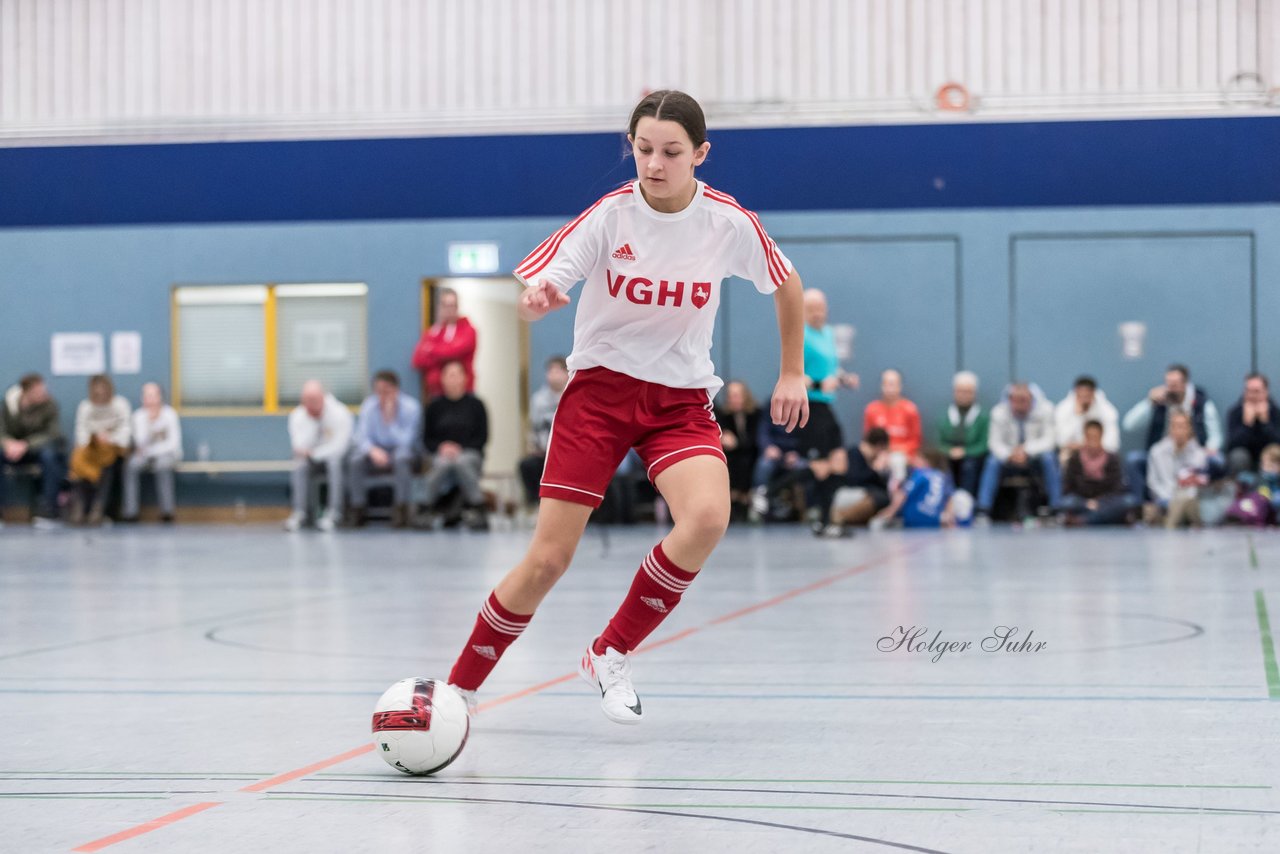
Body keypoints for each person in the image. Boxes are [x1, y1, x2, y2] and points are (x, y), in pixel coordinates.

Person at [443, 90, 808, 725]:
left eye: (671, 152)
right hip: (600, 397)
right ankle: (460, 689)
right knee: (549, 558)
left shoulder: (727, 222)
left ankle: (610, 651)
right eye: (642, 150)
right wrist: (539, 298)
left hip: (679, 401)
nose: (654, 164)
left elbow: (787, 282)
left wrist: (793, 372)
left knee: (706, 519)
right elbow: (547, 279)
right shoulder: (611, 217)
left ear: (700, 153)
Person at [795, 288, 858, 534]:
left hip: (826, 405)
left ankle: (829, 518)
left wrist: (844, 379)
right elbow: (796, 375)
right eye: (811, 309)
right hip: (809, 405)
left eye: (820, 308)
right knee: (820, 466)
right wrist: (821, 384)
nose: (817, 314)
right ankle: (820, 519)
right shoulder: (799, 335)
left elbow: (832, 368)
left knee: (839, 461)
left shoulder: (830, 334)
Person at [1122, 364, 1223, 501]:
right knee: (1134, 459)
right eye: (1168, 384)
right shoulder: (1159, 402)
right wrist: (1149, 402)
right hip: (1162, 456)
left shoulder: (1201, 403)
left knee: (1217, 461)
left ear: (1185, 384)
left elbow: (1215, 435)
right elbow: (1129, 425)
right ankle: (1141, 507)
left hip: (1193, 455)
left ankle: (1203, 505)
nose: (1171, 389)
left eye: (1175, 384)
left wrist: (1209, 449)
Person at [421, 360, 490, 530]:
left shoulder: (476, 405)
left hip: (470, 453)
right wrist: (442, 447)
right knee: (442, 464)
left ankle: (477, 507)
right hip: (441, 453)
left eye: (457, 375)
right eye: (449, 375)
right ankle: (425, 508)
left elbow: (482, 437)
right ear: (442, 379)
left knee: (461, 462)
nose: (453, 379)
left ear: (465, 378)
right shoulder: (434, 406)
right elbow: (427, 439)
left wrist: (460, 448)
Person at [347, 370, 421, 528]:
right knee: (356, 460)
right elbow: (361, 436)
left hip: (399, 451)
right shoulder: (369, 405)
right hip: (375, 452)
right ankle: (358, 508)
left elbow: (407, 441)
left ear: (396, 390)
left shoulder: (411, 407)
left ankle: (401, 508)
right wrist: (372, 450)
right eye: (378, 391)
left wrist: (390, 420)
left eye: (385, 391)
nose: (381, 396)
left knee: (402, 458)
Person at [977, 382, 1061, 519]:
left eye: (1024, 400)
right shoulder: (999, 412)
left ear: (1031, 398)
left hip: (1035, 459)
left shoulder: (1046, 409)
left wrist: (1026, 450)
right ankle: (983, 509)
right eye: (1016, 400)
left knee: (1049, 458)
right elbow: (994, 442)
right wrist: (1010, 454)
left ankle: (1056, 508)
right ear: (1009, 399)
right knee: (992, 461)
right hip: (1009, 460)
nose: (1020, 404)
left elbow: (1050, 440)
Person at [285, 380, 354, 532]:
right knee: (299, 464)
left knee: (333, 463)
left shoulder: (340, 412)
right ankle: (299, 512)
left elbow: (340, 447)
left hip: (338, 459)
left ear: (323, 397)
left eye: (314, 400)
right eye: (307, 401)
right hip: (311, 461)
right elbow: (299, 447)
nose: (310, 404)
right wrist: (314, 420)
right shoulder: (298, 416)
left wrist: (315, 453)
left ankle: (334, 513)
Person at [0, 373, 65, 527]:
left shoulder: (50, 405)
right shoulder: (8, 404)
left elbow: (52, 434)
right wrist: (8, 443)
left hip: (36, 450)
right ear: (26, 392)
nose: (43, 393)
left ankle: (49, 511)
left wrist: (26, 444)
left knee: (50, 457)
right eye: (38, 391)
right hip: (11, 450)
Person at [68, 374, 131, 526]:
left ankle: (98, 508)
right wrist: (94, 440)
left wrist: (109, 439)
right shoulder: (85, 407)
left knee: (107, 465)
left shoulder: (120, 404)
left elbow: (125, 432)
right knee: (77, 462)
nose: (100, 392)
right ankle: (79, 507)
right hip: (91, 450)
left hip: (112, 450)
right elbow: (81, 432)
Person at [121, 383, 182, 523]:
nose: (151, 400)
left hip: (166, 455)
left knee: (163, 465)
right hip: (144, 456)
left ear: (161, 397)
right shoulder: (138, 417)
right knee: (131, 465)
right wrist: (150, 423)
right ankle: (131, 512)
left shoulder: (170, 414)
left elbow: (173, 444)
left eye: (154, 396)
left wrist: (152, 450)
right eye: (147, 396)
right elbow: (140, 444)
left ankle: (167, 512)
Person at [1059, 419, 1137, 526]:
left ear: (1101, 436)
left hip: (1106, 501)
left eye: (1095, 436)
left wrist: (1099, 502)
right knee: (1067, 503)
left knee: (1128, 502)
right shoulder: (1075, 459)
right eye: (1089, 437)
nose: (1092, 441)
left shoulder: (1112, 458)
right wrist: (1087, 503)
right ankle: (1110, 518)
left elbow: (1118, 488)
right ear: (1085, 437)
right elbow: (1068, 487)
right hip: (1082, 501)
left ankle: (1084, 521)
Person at [519, 356, 569, 507]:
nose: (553, 375)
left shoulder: (572, 396)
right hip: (543, 452)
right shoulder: (538, 400)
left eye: (557, 371)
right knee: (526, 465)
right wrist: (534, 447)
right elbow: (534, 427)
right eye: (550, 371)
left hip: (567, 451)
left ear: (567, 373)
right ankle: (536, 504)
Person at [411, 287, 477, 401]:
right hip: (437, 394)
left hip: (464, 394)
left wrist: (431, 351)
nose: (449, 310)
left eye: (452, 305)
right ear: (439, 307)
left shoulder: (467, 329)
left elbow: (454, 352)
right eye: (445, 305)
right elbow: (418, 360)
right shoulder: (433, 331)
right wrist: (444, 352)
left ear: (457, 307)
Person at [1146, 410, 1208, 528]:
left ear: (1189, 429)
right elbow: (1153, 483)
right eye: (1175, 426)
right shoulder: (1157, 451)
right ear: (1170, 428)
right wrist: (1169, 499)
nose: (1178, 431)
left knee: (1190, 502)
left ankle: (1173, 523)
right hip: (1165, 501)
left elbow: (1198, 485)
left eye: (1182, 426)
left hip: (1190, 502)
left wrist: (1180, 500)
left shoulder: (1199, 454)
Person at [873, 448, 957, 529]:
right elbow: (949, 498)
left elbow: (903, 494)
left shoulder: (920, 473)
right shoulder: (942, 476)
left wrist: (890, 512)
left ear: (926, 461)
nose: (914, 461)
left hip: (914, 519)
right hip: (934, 521)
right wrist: (948, 516)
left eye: (917, 458)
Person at [862, 369, 921, 482]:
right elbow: (868, 441)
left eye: (892, 384)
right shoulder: (872, 409)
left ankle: (898, 495)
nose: (889, 389)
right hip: (878, 455)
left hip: (902, 456)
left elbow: (915, 441)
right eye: (886, 384)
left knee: (896, 461)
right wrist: (879, 454)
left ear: (899, 386)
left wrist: (892, 451)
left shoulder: (910, 409)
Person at [936, 370, 988, 497]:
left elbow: (984, 444)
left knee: (969, 465)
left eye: (968, 392)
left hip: (973, 457)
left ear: (974, 393)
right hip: (949, 456)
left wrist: (965, 452)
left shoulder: (982, 417)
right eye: (960, 391)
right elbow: (938, 442)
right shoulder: (945, 416)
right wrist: (949, 451)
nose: (964, 395)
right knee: (943, 465)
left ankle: (966, 501)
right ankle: (945, 501)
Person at [715, 380, 762, 521]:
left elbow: (754, 441)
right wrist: (724, 436)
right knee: (729, 461)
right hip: (733, 455)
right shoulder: (724, 416)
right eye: (730, 396)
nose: (733, 399)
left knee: (747, 461)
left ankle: (744, 499)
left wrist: (737, 443)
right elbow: (724, 438)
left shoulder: (756, 414)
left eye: (736, 395)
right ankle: (734, 498)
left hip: (753, 453)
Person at [828, 428, 892, 530]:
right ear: (879, 446)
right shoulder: (854, 453)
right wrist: (874, 470)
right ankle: (841, 517)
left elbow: (882, 487)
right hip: (846, 493)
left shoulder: (871, 459)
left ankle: (846, 518)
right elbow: (854, 479)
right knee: (879, 497)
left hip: (858, 494)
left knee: (883, 497)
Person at [1054, 375, 1119, 464]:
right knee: (1065, 457)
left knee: (1111, 458)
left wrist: (1090, 446)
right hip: (1074, 452)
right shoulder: (1063, 409)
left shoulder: (1107, 411)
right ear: (1075, 392)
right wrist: (1078, 416)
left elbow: (1113, 443)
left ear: (1093, 393)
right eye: (1081, 394)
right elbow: (1061, 441)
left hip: (1099, 452)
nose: (1084, 398)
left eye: (1087, 395)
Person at [1225, 372, 1280, 475]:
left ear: (1266, 392)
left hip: (1268, 457)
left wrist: (1265, 423)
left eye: (1256, 391)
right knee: (1238, 456)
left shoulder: (1275, 412)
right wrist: (1247, 424)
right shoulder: (1235, 412)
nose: (1252, 395)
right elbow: (1231, 445)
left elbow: (1277, 442)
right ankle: (1241, 489)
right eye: (1248, 391)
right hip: (1245, 458)